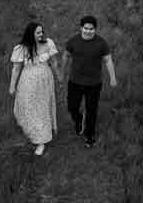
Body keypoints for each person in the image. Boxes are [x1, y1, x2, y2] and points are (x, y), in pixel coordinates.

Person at [63, 14, 117, 147]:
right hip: (75, 81)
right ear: (81, 28)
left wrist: (113, 77)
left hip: (93, 83)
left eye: (91, 29)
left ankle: (90, 135)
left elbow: (108, 60)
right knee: (72, 107)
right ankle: (79, 119)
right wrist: (61, 72)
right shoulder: (73, 41)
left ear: (95, 29)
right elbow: (66, 56)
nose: (88, 31)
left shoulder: (101, 43)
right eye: (85, 28)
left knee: (92, 109)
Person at [8, 20, 60, 155]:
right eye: (38, 32)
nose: (41, 34)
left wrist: (59, 75)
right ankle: (30, 132)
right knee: (28, 106)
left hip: (44, 82)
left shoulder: (48, 43)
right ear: (31, 34)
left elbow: (54, 62)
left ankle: (41, 141)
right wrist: (12, 86)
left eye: (42, 31)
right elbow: (16, 69)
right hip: (28, 82)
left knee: (42, 108)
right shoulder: (21, 48)